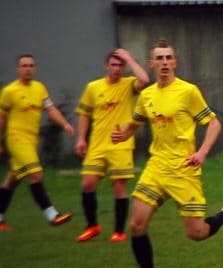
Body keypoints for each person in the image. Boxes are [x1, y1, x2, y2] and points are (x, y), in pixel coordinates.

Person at [111, 39, 223, 268]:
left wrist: (201, 153)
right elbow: (136, 122)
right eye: (159, 58)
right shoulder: (147, 95)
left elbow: (214, 124)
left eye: (168, 58)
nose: (164, 62)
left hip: (184, 169)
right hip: (156, 167)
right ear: (151, 64)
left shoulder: (188, 91)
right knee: (137, 225)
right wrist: (123, 134)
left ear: (175, 62)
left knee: (196, 233)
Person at [74, 48, 150, 243]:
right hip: (97, 144)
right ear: (106, 66)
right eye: (114, 65)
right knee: (87, 184)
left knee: (118, 186)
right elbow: (84, 114)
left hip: (120, 143)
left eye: (120, 65)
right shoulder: (93, 87)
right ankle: (92, 226)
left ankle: (118, 232)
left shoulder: (128, 85)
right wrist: (82, 138)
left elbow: (144, 80)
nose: (117, 69)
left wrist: (130, 59)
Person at [0, 54, 75, 229]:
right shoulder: (10, 91)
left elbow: (50, 109)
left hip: (31, 140)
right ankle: (52, 215)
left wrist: (65, 124)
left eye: (31, 65)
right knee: (36, 173)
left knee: (12, 179)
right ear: (18, 69)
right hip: (16, 139)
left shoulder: (39, 88)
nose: (28, 69)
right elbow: (1, 118)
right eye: (24, 65)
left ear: (35, 69)